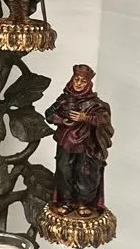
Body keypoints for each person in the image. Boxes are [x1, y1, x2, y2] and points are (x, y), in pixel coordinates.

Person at [44, 65, 114, 217]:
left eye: (83, 81)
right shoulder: (64, 99)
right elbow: (49, 113)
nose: (78, 83)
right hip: (66, 142)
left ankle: (83, 203)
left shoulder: (95, 104)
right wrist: (61, 120)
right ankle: (67, 202)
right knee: (64, 171)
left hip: (86, 144)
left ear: (88, 83)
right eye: (76, 79)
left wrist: (86, 118)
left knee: (84, 172)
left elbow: (104, 120)